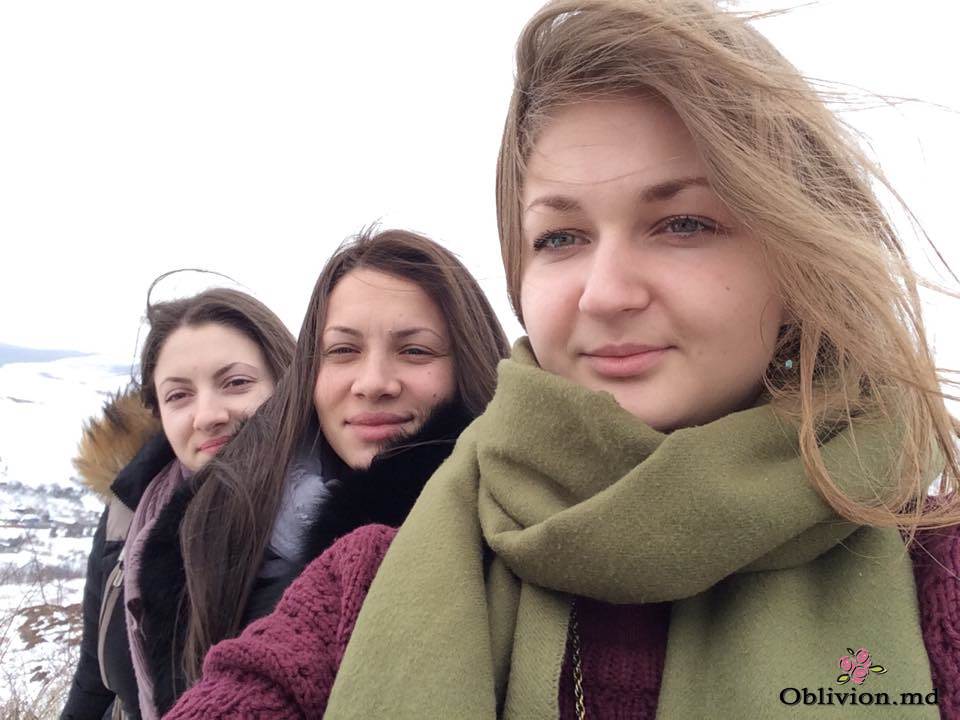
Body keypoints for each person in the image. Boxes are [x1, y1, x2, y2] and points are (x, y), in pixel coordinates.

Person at [166, 2, 960, 719]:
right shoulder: (364, 584)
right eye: (560, 237)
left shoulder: (932, 571)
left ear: (799, 256)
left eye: (683, 223)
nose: (603, 294)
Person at [166, 227, 510, 712]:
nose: (372, 383)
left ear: (468, 363)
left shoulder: (504, 528)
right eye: (343, 351)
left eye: (415, 350)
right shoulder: (231, 517)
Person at [62, 287, 295, 720]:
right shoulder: (129, 515)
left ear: (288, 383)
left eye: (236, 383)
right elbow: (93, 683)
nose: (207, 415)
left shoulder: (339, 520)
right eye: (178, 395)